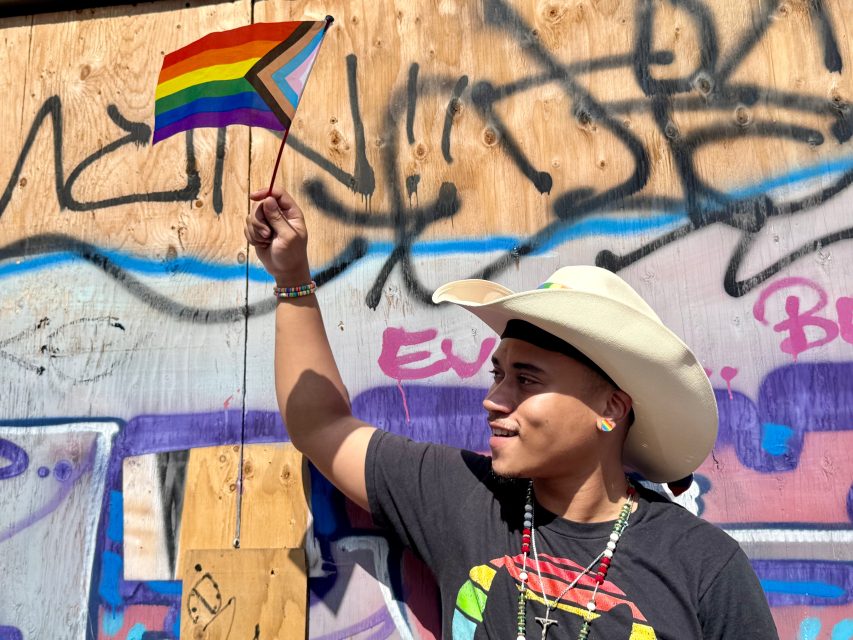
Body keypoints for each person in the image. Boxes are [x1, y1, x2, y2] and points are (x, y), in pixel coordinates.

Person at [244, 187, 780, 640]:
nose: (494, 399)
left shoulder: (704, 567)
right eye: (497, 375)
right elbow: (321, 427)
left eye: (526, 380)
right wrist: (292, 278)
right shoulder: (465, 500)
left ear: (610, 407)